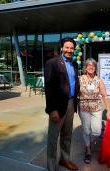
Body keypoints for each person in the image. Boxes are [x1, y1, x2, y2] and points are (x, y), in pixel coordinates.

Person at [44, 37, 80, 171]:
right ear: (62, 48)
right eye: (67, 47)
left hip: (71, 103)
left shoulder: (74, 64)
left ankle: (65, 159)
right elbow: (49, 88)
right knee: (53, 138)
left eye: (71, 48)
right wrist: (52, 109)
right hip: (57, 106)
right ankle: (51, 166)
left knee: (67, 135)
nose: (69, 50)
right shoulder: (52, 63)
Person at [78, 58, 110, 164]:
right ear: (85, 67)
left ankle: (90, 141)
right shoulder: (80, 79)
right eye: (88, 65)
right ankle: (88, 150)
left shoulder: (99, 80)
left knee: (97, 131)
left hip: (96, 108)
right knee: (86, 130)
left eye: (93, 65)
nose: (90, 67)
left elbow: (105, 96)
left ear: (95, 68)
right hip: (83, 108)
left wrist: (109, 111)